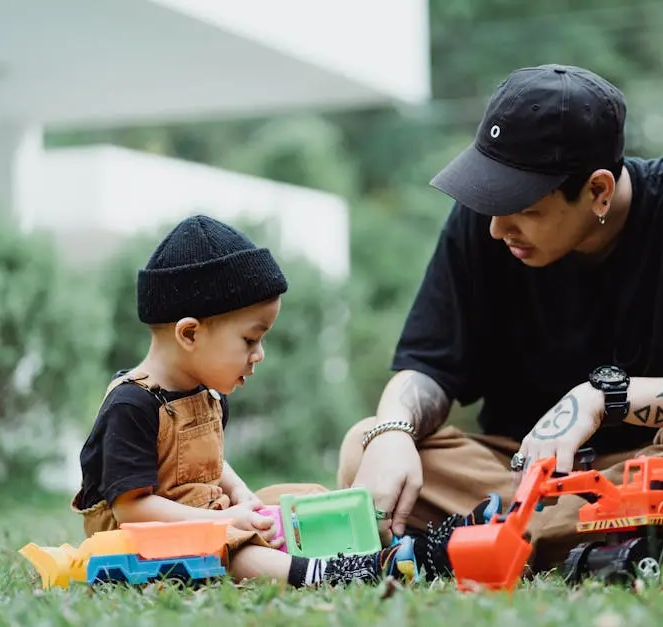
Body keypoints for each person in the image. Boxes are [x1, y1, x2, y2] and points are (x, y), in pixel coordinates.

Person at [338, 64, 663, 574]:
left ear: (599, 191)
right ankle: (611, 544)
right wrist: (392, 431)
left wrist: (605, 399)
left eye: (521, 206)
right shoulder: (485, 224)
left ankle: (494, 542)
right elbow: (427, 367)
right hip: (519, 477)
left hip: (660, 468)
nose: (497, 228)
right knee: (364, 443)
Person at [69, 214, 463, 588]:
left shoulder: (206, 395)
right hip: (143, 537)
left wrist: (241, 496)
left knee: (298, 501)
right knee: (233, 547)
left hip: (205, 515)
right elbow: (133, 510)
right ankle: (330, 573)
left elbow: (206, 460)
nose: (259, 354)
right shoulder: (132, 407)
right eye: (250, 340)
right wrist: (224, 524)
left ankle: (409, 544)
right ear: (189, 334)